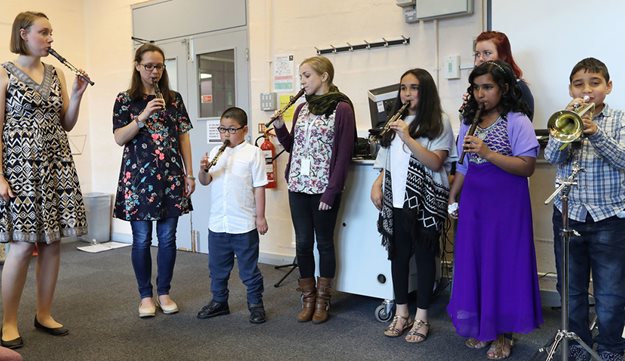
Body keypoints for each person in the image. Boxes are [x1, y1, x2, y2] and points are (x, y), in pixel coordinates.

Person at [0, 11, 89, 349]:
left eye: (51, 33)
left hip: (56, 165)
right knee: (22, 246)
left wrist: (78, 95)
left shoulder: (57, 74)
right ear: (23, 34)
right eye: (44, 32)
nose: (50, 39)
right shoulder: (4, 73)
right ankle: (8, 321)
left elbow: (66, 122)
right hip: (20, 170)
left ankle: (44, 313)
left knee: (52, 244)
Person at [447, 60, 543, 360]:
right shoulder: (468, 121)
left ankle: (504, 333)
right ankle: (481, 327)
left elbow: (526, 167)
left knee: (502, 264)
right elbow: (463, 165)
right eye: (476, 88)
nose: (480, 94)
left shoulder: (517, 120)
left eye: (487, 87)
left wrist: (488, 153)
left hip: (507, 204)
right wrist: (453, 198)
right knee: (475, 262)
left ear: (503, 88)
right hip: (475, 200)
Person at [544, 57, 625, 361]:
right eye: (579, 84)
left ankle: (611, 348)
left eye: (595, 83)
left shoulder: (620, 119)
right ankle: (576, 342)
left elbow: (623, 160)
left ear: (608, 86)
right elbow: (552, 156)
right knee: (571, 288)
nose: (587, 90)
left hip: (610, 218)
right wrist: (570, 123)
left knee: (611, 291)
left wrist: (595, 132)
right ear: (570, 88)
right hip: (569, 215)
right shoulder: (565, 116)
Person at [370, 69, 456, 343]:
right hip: (396, 199)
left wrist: (407, 137)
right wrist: (377, 183)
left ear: (426, 91)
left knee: (423, 256)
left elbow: (435, 162)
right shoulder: (394, 120)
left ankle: (422, 317)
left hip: (426, 201)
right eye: (403, 87)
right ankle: (401, 312)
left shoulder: (439, 120)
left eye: (414, 88)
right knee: (397, 255)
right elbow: (386, 160)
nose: (407, 93)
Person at [112, 43, 195, 318]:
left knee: (168, 238)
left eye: (159, 66)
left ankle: (164, 292)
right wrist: (143, 116)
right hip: (139, 179)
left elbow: (183, 136)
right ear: (137, 66)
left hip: (171, 176)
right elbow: (119, 138)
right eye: (149, 66)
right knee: (141, 239)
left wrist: (189, 173)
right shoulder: (125, 100)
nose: (154, 71)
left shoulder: (174, 98)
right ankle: (145, 296)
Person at [273, 55, 356, 324]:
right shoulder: (302, 109)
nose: (302, 82)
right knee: (304, 243)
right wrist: (279, 127)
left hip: (323, 188)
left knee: (324, 243)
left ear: (324, 77)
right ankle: (307, 298)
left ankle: (323, 299)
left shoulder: (341, 108)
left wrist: (332, 191)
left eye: (307, 76)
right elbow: (293, 147)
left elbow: (344, 154)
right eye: (300, 77)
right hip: (298, 184)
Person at [195, 107, 269, 324]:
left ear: (244, 130)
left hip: (243, 224)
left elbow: (260, 187)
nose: (226, 134)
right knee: (217, 268)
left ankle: (255, 304)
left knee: (248, 269)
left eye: (231, 129)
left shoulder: (253, 153)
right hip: (218, 223)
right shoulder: (216, 150)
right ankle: (219, 302)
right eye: (222, 129)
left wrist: (260, 217)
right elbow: (205, 181)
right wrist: (203, 170)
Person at [461, 31, 534, 121]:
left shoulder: (519, 88)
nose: (480, 59)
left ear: (503, 56)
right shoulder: (476, 88)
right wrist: (470, 108)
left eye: (487, 53)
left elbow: (522, 129)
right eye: (477, 54)